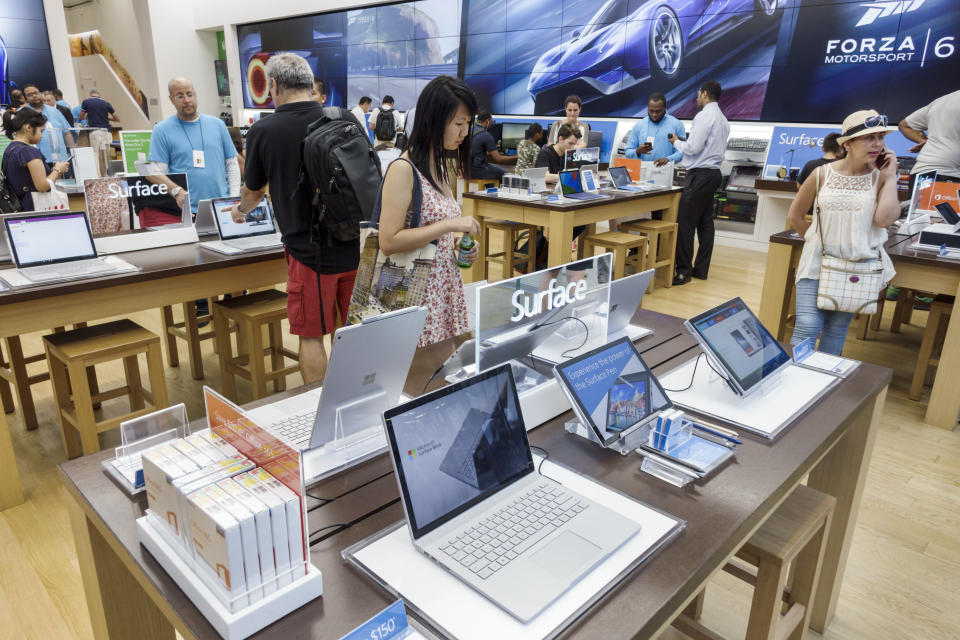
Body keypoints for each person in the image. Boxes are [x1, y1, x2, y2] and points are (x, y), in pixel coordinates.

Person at [230, 53, 358, 383]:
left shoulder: (264, 131)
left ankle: (320, 415)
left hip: (308, 253)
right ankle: (354, 406)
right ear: (308, 82)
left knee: (312, 336)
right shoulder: (343, 118)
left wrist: (240, 211)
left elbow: (254, 193)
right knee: (352, 333)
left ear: (273, 84)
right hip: (356, 244)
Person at [785, 110, 899, 356]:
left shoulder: (880, 178)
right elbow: (795, 216)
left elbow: (885, 220)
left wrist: (890, 179)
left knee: (836, 330)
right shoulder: (822, 174)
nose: (877, 144)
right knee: (807, 325)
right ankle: (791, 381)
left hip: (857, 266)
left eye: (881, 137)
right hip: (816, 264)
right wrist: (817, 241)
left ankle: (821, 384)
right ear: (847, 144)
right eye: (869, 138)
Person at [378, 75, 481, 347]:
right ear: (433, 120)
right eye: (458, 124)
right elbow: (388, 241)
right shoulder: (403, 169)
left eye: (468, 124)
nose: (464, 132)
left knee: (443, 372)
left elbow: (431, 229)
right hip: (415, 294)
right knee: (419, 378)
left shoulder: (440, 166)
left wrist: (458, 243)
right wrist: (449, 226)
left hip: (443, 291)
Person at [147, 77, 239, 215]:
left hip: (222, 207)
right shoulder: (162, 130)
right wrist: (176, 191)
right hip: (187, 211)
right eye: (180, 96)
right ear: (171, 99)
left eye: (189, 94)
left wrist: (233, 198)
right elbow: (156, 171)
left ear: (195, 95)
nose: (186, 100)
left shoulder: (217, 125)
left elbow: (232, 164)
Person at [668, 80, 730, 285]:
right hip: (713, 175)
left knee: (684, 223)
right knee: (705, 225)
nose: (696, 98)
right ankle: (701, 270)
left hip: (700, 175)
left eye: (698, 94)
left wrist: (676, 142)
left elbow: (693, 148)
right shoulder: (723, 119)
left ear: (704, 94)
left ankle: (683, 272)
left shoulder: (704, 116)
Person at [1, 109, 70, 210]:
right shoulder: (29, 152)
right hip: (35, 207)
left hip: (19, 207)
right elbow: (42, 186)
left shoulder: (9, 150)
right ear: (28, 127)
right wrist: (58, 170)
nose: (42, 136)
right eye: (41, 131)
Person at [898, 90, 960, 189]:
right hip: (949, 175)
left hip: (922, 172)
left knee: (920, 205)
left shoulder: (942, 101)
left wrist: (925, 142)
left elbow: (904, 126)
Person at [624, 93, 684, 167]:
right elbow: (627, 152)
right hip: (642, 174)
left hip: (665, 172)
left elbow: (682, 151)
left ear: (665, 108)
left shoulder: (677, 125)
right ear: (648, 108)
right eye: (651, 111)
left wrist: (668, 159)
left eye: (658, 111)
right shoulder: (639, 125)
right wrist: (637, 151)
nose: (654, 115)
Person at [19, 84, 74, 164]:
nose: (34, 96)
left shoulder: (55, 111)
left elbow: (67, 134)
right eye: (29, 95)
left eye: (36, 93)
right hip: (35, 161)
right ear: (25, 98)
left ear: (40, 94)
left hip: (60, 159)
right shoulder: (21, 113)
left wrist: (73, 153)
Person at [470, 110, 516, 182]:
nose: (492, 122)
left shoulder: (469, 130)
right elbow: (498, 159)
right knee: (508, 177)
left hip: (467, 169)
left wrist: (489, 151)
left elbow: (475, 150)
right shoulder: (486, 135)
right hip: (479, 170)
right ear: (488, 120)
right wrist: (517, 156)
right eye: (492, 120)